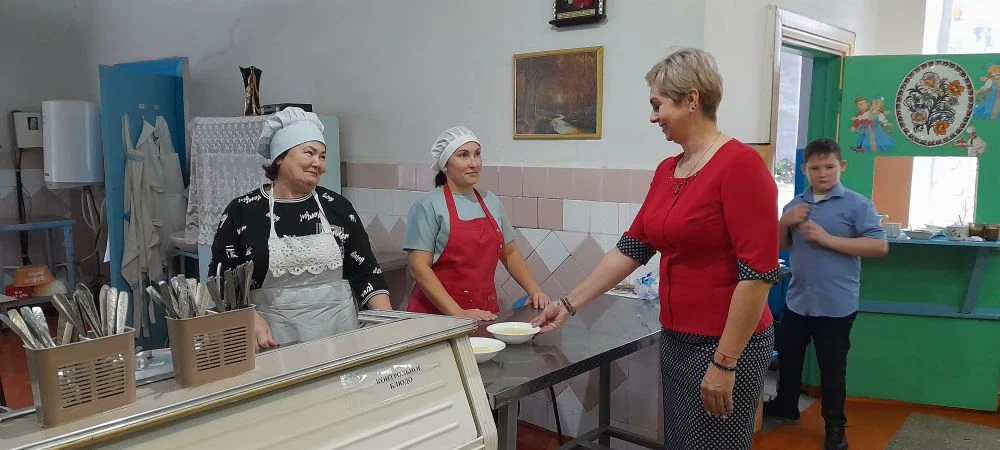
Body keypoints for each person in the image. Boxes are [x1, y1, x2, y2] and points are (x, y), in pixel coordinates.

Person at [531, 48, 780, 449]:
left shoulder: (741, 166)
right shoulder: (668, 170)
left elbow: (758, 276)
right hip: (677, 338)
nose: (653, 117)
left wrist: (725, 362)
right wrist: (568, 304)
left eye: (657, 104)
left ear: (691, 100)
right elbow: (632, 248)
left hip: (727, 346)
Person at [210, 107, 391, 351]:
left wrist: (389, 322)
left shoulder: (337, 207)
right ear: (280, 157)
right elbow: (221, 281)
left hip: (340, 340)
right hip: (272, 344)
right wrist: (246, 316)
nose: (319, 164)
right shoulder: (242, 211)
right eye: (309, 153)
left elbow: (366, 272)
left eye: (323, 156)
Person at [764, 138, 888, 450]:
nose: (822, 173)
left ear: (841, 166)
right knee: (789, 360)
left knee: (832, 370)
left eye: (829, 167)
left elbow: (879, 246)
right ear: (804, 169)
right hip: (798, 301)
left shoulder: (857, 204)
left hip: (836, 305)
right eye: (815, 167)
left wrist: (827, 239)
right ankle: (786, 405)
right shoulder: (794, 206)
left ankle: (835, 426)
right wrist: (782, 222)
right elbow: (780, 246)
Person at [404, 126, 550, 320]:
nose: (473, 163)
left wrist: (534, 290)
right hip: (436, 317)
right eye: (463, 155)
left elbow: (510, 252)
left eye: (477, 154)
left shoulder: (491, 202)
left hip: (484, 311)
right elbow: (419, 268)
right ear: (445, 165)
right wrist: (457, 313)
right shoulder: (427, 206)